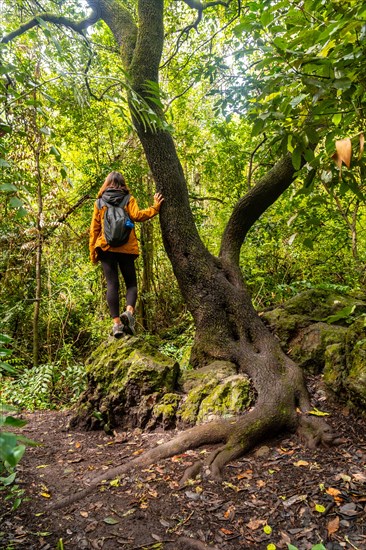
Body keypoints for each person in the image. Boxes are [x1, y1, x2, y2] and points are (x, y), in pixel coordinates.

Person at [89, 171, 164, 338]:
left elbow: (94, 229)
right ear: (123, 184)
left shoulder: (99, 202)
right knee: (131, 284)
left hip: (106, 248)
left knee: (112, 285)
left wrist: (93, 253)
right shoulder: (127, 198)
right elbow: (138, 216)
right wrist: (155, 208)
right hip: (126, 248)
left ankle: (116, 325)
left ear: (107, 184)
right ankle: (129, 313)